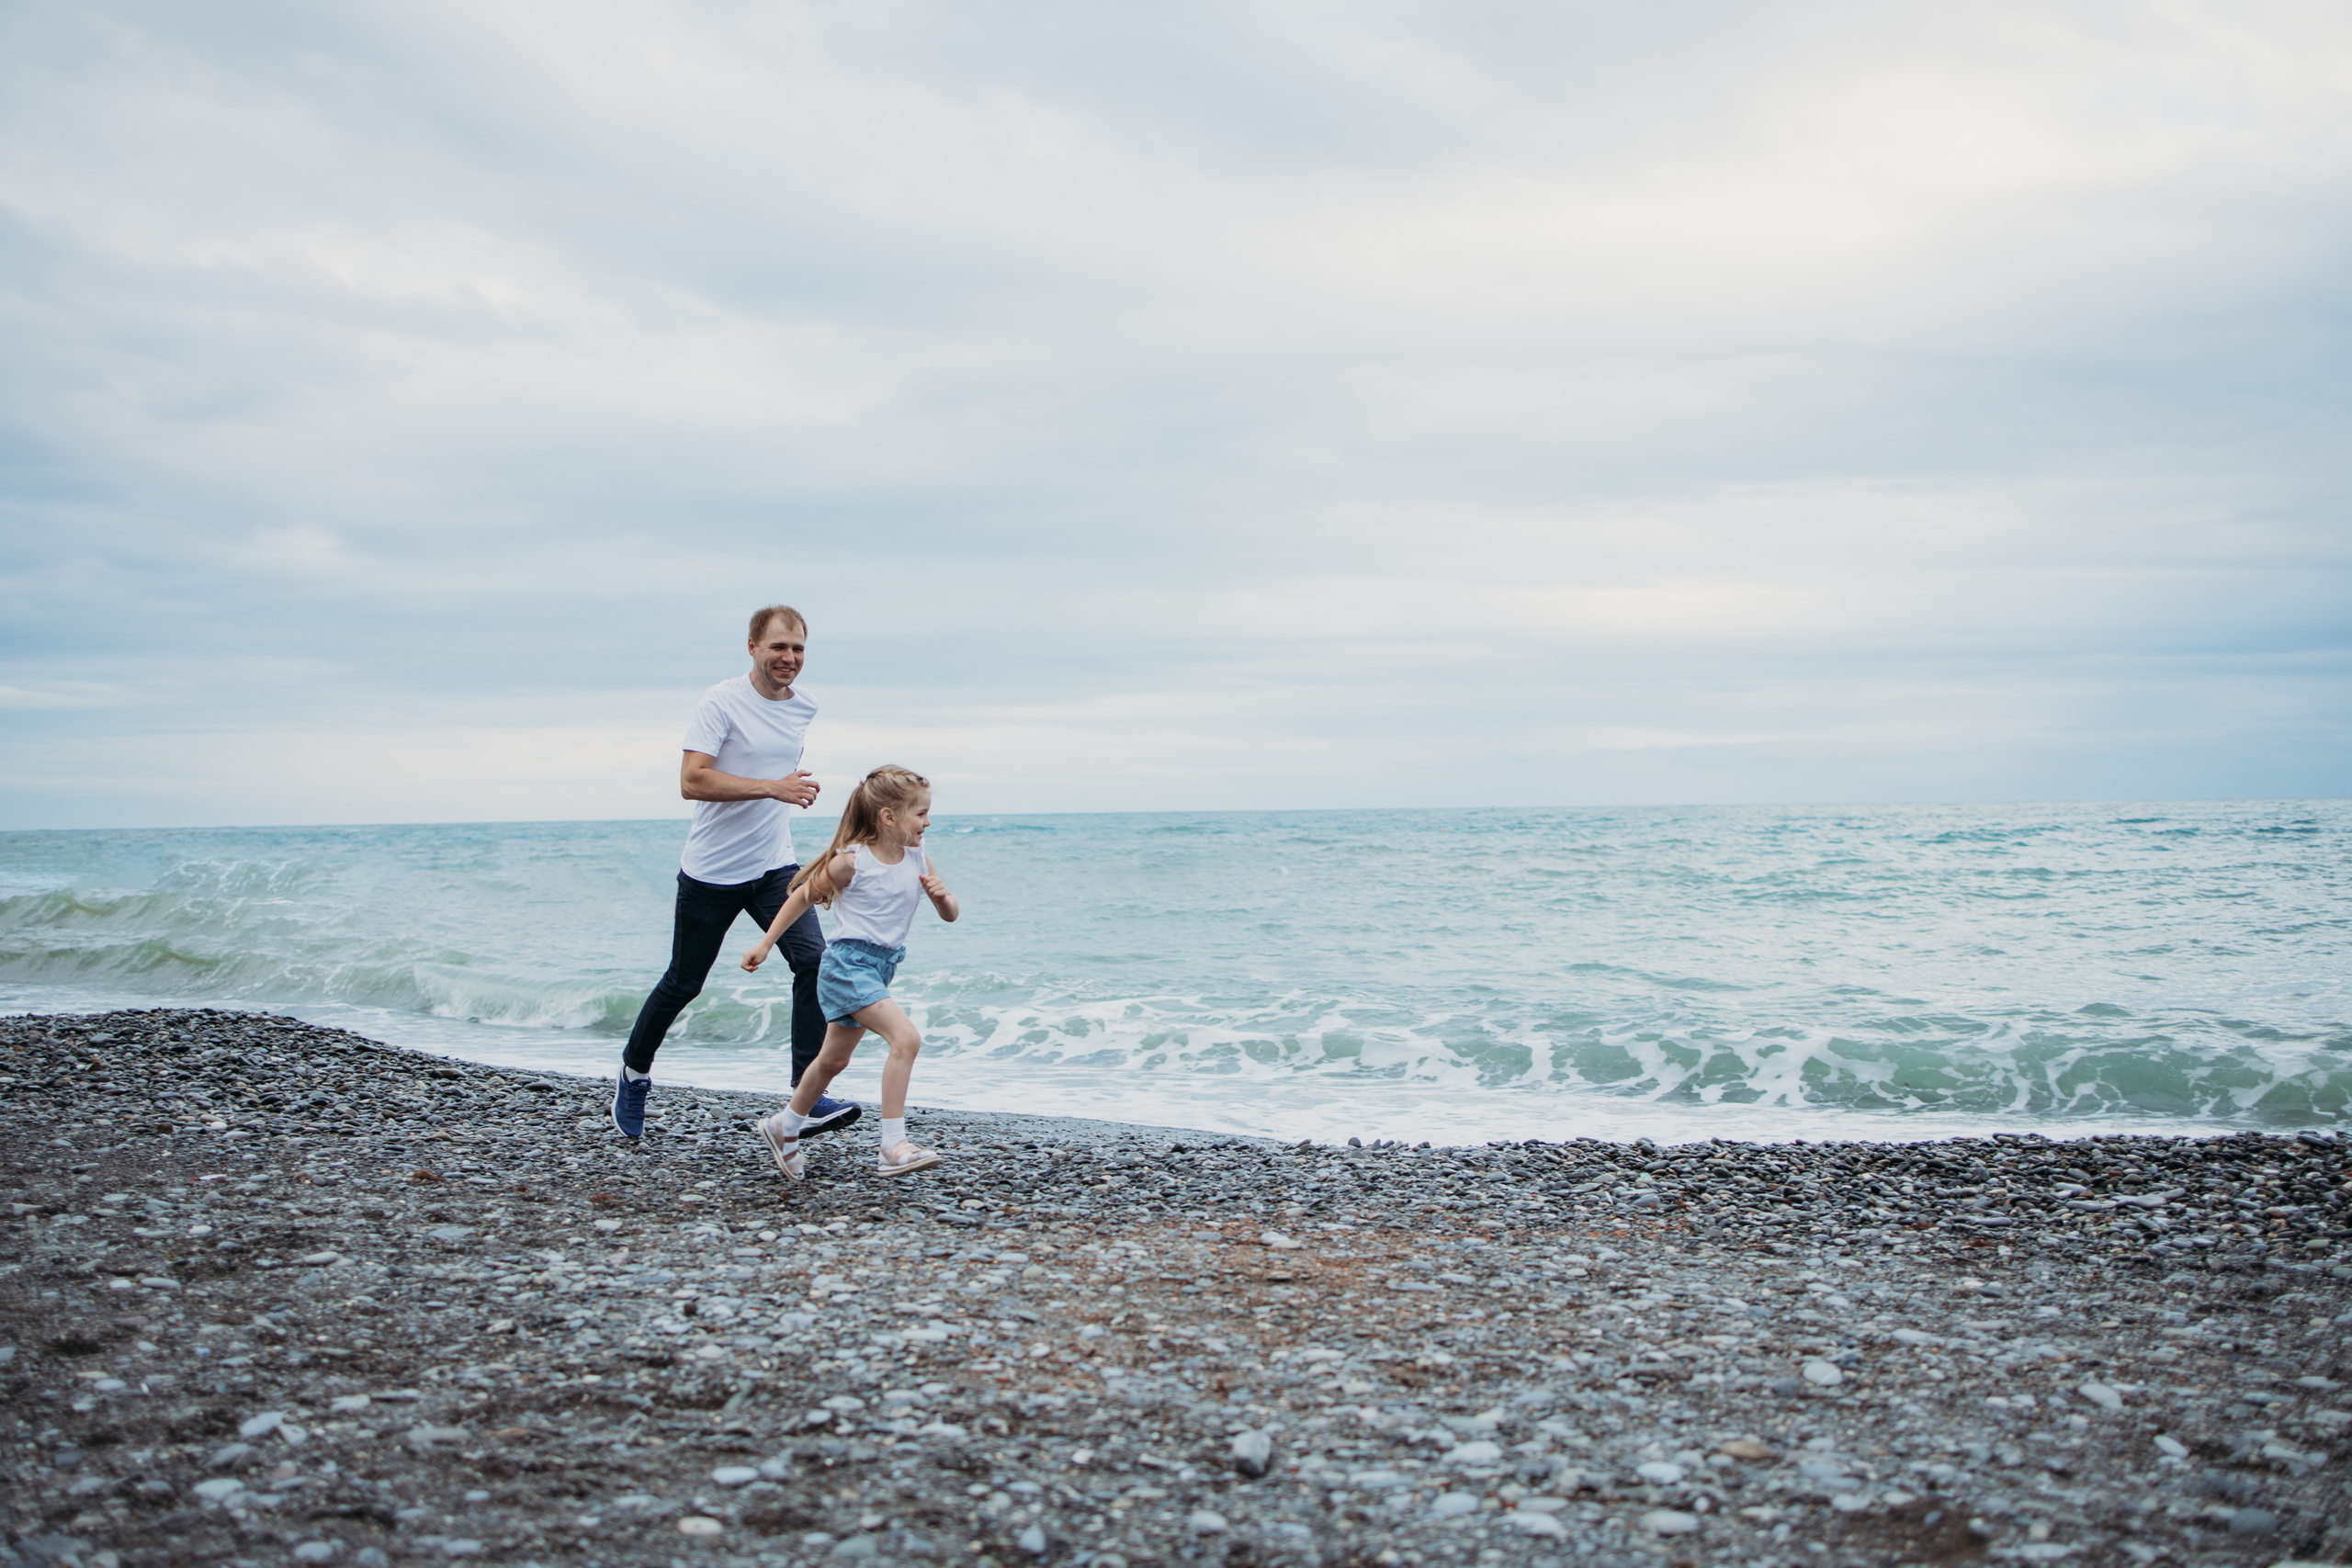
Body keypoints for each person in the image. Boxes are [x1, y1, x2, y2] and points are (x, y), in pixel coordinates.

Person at [611, 605, 863, 1142]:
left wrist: (788, 792)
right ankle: (633, 1075)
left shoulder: (805, 707)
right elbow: (692, 781)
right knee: (684, 983)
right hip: (710, 873)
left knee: (814, 961)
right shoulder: (720, 701)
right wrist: (774, 786)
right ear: (752, 647)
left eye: (797, 649)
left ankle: (807, 1094)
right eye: (777, 647)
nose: (788, 658)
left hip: (775, 866)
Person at [740, 764, 958, 1180]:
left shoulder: (917, 855)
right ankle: (892, 1144)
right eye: (921, 814)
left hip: (881, 967)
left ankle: (784, 1127)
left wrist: (944, 897)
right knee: (906, 1038)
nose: (927, 822)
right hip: (846, 965)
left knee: (832, 1060)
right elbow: (802, 896)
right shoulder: (853, 861)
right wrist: (766, 943)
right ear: (888, 817)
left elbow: (949, 915)